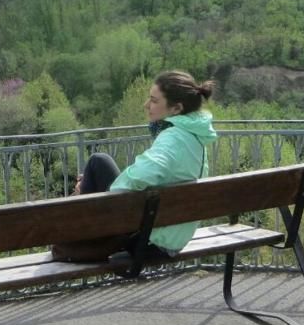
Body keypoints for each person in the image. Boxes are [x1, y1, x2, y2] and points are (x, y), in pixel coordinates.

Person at [63, 70, 217, 263]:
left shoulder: (173, 138)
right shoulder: (194, 138)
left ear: (176, 108)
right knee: (99, 166)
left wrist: (103, 195)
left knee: (97, 162)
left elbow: (143, 174)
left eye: (153, 100)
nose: (146, 105)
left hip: (148, 241)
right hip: (171, 237)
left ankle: (80, 240)